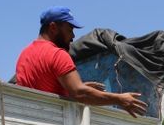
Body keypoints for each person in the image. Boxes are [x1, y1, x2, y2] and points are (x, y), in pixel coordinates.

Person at [15, 6, 147, 117]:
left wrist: (73, 88)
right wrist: (119, 99)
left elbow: (42, 89)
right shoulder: (58, 54)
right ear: (53, 27)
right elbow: (79, 93)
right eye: (70, 30)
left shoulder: (24, 54)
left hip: (30, 121)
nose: (73, 36)